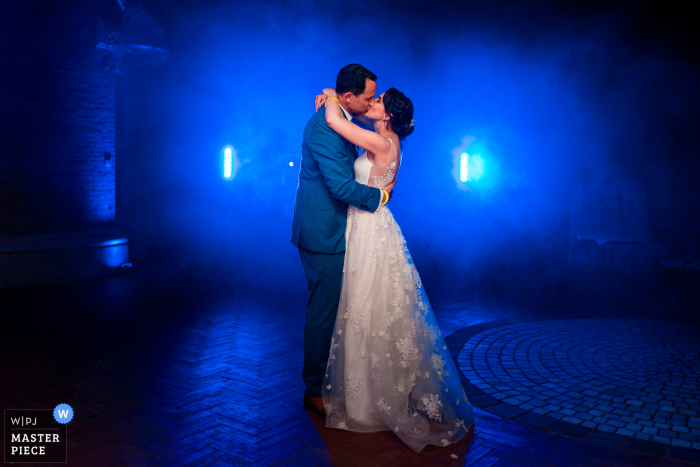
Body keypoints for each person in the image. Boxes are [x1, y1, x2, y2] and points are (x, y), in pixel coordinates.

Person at [314, 84, 475, 453]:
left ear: (387, 115)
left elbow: (335, 122)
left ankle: (368, 402)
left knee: (367, 307)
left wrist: (331, 94)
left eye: (379, 101)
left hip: (369, 228)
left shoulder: (383, 143)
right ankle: (368, 393)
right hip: (371, 222)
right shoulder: (384, 141)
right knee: (370, 307)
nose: (373, 102)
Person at [291, 64, 397, 417]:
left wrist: (331, 94)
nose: (370, 105)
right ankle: (314, 389)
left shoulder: (339, 111)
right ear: (350, 96)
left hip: (339, 227)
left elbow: (353, 118)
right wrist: (379, 198)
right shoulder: (325, 127)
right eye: (368, 98)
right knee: (323, 311)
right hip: (322, 231)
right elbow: (338, 186)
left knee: (337, 307)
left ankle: (334, 379)